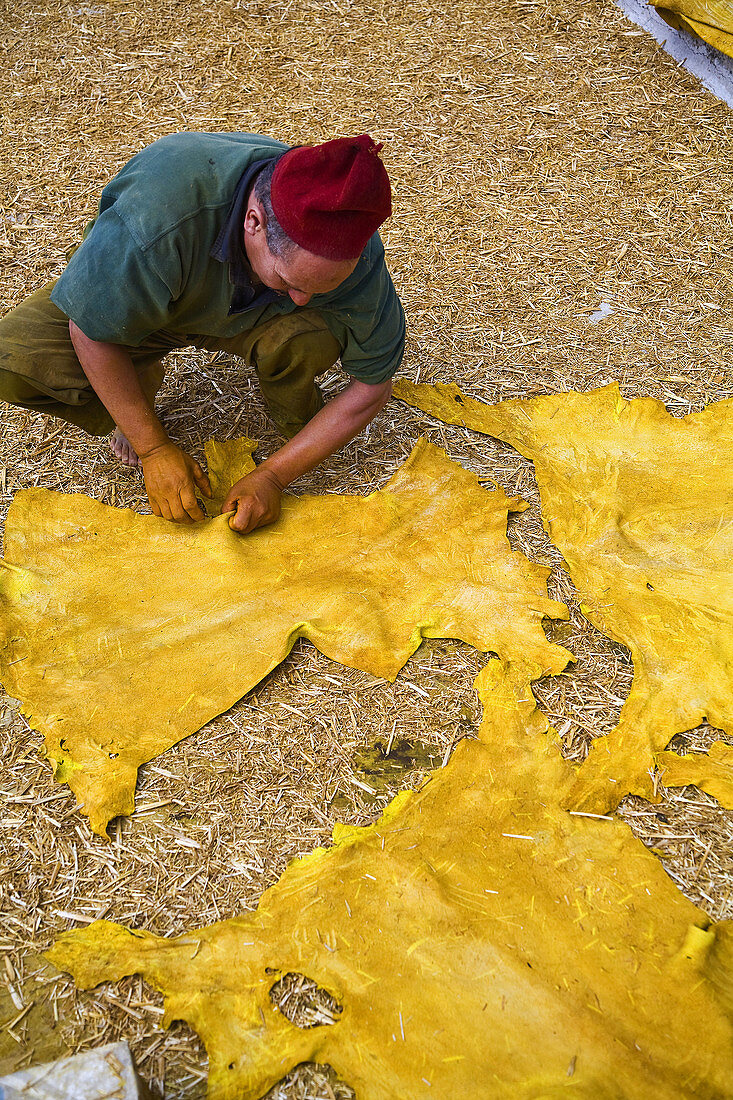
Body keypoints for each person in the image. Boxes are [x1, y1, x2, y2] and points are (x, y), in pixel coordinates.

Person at [0, 132, 404, 532]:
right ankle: (134, 383)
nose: (301, 299)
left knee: (307, 334)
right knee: (11, 362)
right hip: (149, 299)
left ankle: (296, 422)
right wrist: (153, 449)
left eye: (320, 288)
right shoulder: (161, 216)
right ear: (254, 222)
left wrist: (274, 476)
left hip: (249, 318)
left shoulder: (356, 255)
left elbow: (372, 386)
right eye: (288, 280)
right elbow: (88, 331)